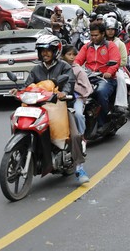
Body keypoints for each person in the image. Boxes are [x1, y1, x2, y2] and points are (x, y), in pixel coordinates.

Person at [23, 35, 88, 183]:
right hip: (39, 108)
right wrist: (19, 90)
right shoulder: (36, 69)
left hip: (61, 107)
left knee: (75, 135)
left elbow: (69, 82)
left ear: (55, 51)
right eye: (42, 50)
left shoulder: (64, 67)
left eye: (48, 50)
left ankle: (79, 168)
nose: (44, 53)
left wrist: (64, 93)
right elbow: (28, 85)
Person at [75, 22, 121, 130]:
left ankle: (103, 122)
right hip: (88, 77)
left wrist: (109, 72)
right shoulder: (87, 46)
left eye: (96, 35)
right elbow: (77, 60)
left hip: (105, 79)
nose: (93, 38)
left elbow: (116, 61)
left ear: (103, 34)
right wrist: (74, 67)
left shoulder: (111, 46)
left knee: (101, 92)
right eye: (92, 35)